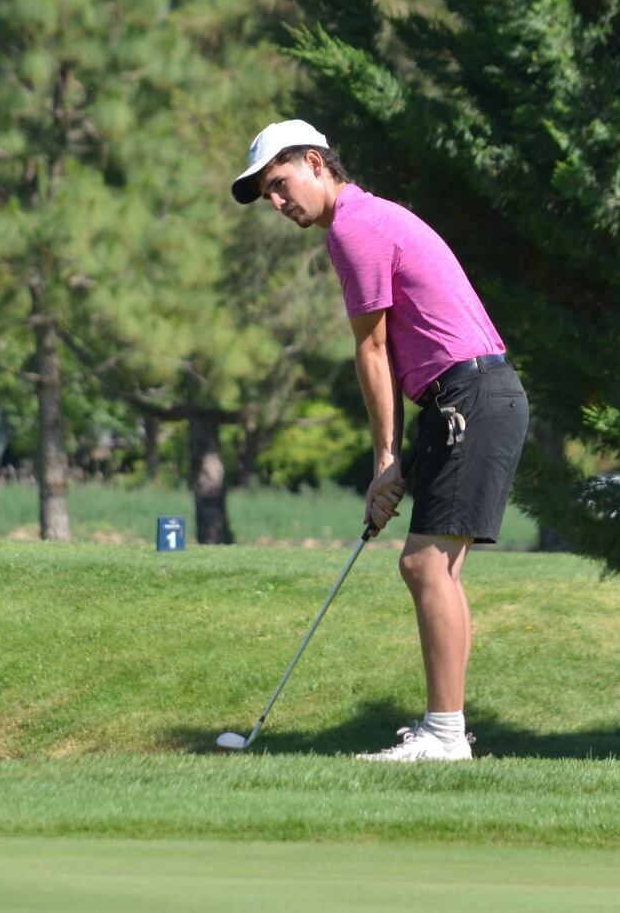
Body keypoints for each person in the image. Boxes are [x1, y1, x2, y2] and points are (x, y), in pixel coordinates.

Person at [231, 118, 529, 762]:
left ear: (315, 162)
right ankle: (448, 733)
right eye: (267, 197)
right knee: (439, 568)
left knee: (422, 563)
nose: (278, 204)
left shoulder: (353, 228)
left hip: (469, 396)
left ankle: (445, 736)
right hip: (476, 395)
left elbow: (372, 350)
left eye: (280, 184)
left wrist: (387, 461)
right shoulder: (371, 217)